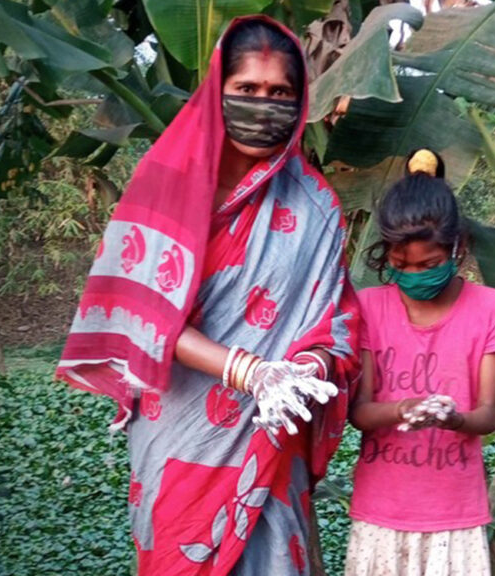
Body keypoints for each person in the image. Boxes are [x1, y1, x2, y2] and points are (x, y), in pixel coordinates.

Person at [56, 16, 359, 576]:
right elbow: (139, 310)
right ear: (218, 92)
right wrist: (252, 373)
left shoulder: (315, 204)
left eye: (280, 94)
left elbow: (335, 318)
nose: (263, 105)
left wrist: (303, 370)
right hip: (178, 429)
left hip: (272, 431)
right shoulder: (164, 184)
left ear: (299, 103)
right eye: (247, 90)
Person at [345, 149, 495, 576]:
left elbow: (487, 415)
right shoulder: (369, 307)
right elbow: (361, 412)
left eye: (429, 265)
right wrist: (403, 409)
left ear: (458, 247)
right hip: (380, 514)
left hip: (455, 516)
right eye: (399, 266)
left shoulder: (492, 311)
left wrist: (452, 418)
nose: (414, 275)